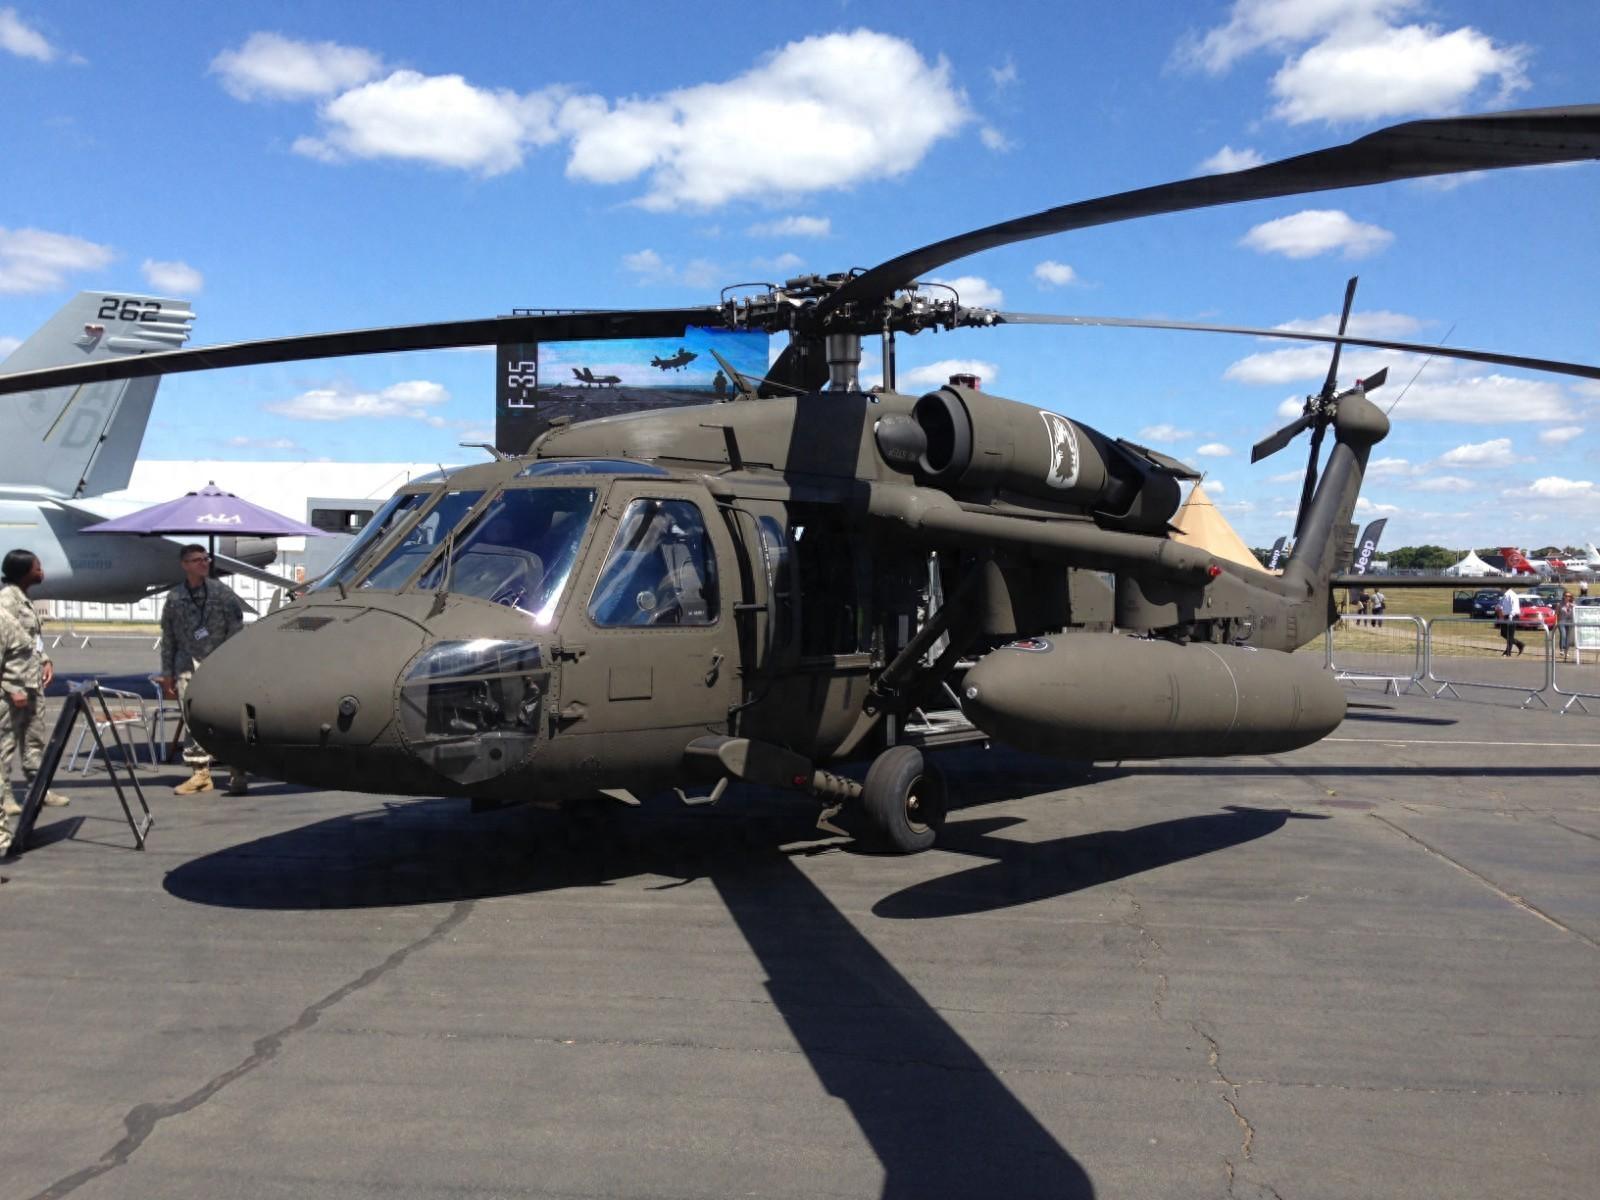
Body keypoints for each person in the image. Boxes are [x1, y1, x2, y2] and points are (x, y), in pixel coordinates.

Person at [156, 544, 247, 795]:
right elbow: (168, 637)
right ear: (185, 565)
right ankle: (200, 774)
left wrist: (230, 662)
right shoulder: (175, 598)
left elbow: (236, 630)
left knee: (227, 719)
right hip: (186, 666)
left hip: (219, 665)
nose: (204, 563)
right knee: (192, 720)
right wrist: (167, 673)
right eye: (197, 560)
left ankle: (237, 773)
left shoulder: (222, 593)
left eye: (206, 559)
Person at [0, 549, 70, 830]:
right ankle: (4, 797)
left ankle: (38, 789)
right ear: (24, 571)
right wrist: (12, 687)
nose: (42, 571)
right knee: (5, 744)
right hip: (12, 687)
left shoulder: (25, 599)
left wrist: (44, 659)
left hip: (31, 682)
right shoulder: (6, 601)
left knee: (34, 738)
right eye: (37, 567)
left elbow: (29, 639)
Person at [1496, 587, 1524, 657]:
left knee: (1510, 635)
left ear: (1505, 588)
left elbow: (1514, 607)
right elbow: (1501, 605)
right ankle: (1519, 644)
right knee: (1503, 633)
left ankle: (1508, 652)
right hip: (1505, 616)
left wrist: (1511, 617)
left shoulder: (1512, 595)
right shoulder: (1505, 595)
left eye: (1501, 587)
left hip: (1512, 616)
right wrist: (1498, 607)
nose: (1500, 589)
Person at [1558, 592, 1575, 661]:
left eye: (1569, 596)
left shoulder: (1572, 604)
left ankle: (1566, 651)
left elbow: (1577, 610)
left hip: (1569, 622)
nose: (1568, 597)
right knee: (1563, 635)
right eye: (1566, 596)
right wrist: (1556, 622)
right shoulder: (1560, 604)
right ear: (1564, 596)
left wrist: (1573, 606)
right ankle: (1562, 649)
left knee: (1568, 637)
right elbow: (1556, 614)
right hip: (1561, 621)